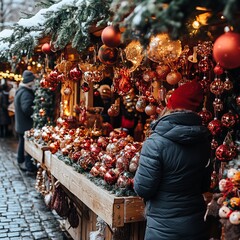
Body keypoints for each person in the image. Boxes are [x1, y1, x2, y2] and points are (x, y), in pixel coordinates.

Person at [134, 80, 212, 240]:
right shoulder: (204, 140)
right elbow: (204, 184)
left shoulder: (155, 142)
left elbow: (143, 189)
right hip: (195, 224)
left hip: (162, 228)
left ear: (171, 106)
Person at [14, 70, 37, 174]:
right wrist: (36, 111)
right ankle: (28, 166)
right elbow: (27, 108)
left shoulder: (20, 90)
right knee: (26, 145)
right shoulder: (26, 93)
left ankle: (21, 161)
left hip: (21, 124)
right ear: (30, 82)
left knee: (22, 143)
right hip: (25, 125)